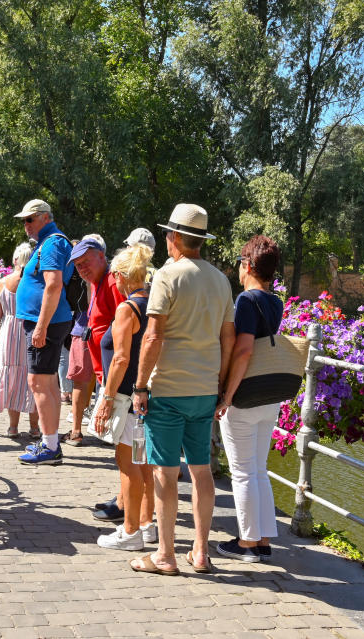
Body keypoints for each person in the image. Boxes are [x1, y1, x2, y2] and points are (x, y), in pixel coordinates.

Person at [130, 203, 235, 576]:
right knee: (202, 471)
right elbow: (228, 336)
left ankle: (165, 554)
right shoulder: (221, 280)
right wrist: (220, 386)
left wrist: (140, 387)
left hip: (169, 389)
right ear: (201, 241)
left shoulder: (167, 277)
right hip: (205, 389)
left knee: (165, 472)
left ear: (173, 237)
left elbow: (153, 335)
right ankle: (202, 552)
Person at [214, 235, 284, 562]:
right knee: (258, 469)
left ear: (247, 265)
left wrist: (226, 396)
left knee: (242, 472)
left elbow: (243, 351)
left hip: (244, 396)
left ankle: (245, 544)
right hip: (269, 395)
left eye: (241, 262)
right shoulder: (276, 302)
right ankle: (263, 539)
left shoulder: (246, 301)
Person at [91, 243, 155, 549]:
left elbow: (120, 358)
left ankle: (130, 532)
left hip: (127, 398)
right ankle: (146, 522)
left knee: (127, 463)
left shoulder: (127, 309)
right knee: (143, 462)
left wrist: (106, 398)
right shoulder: (154, 303)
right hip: (145, 397)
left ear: (120, 275)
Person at [13, 199, 75, 465]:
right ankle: (51, 441)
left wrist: (41, 325)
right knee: (47, 382)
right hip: (49, 321)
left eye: (30, 219)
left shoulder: (51, 243)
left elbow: (53, 285)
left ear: (45, 218)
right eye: (24, 220)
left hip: (46, 323)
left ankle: (50, 446)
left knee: (38, 382)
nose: (25, 225)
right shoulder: (49, 242)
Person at [66, 235, 126, 450]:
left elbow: (125, 323)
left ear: (101, 256)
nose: (81, 268)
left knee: (126, 442)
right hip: (104, 366)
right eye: (78, 265)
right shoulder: (98, 281)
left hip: (115, 368)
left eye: (85, 262)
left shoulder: (112, 281)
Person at [0, 243, 40, 438]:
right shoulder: (36, 282)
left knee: (12, 378)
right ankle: (35, 428)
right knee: (33, 377)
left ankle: (13, 426)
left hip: (10, 332)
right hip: (31, 329)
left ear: (15, 259)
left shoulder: (3, 283)